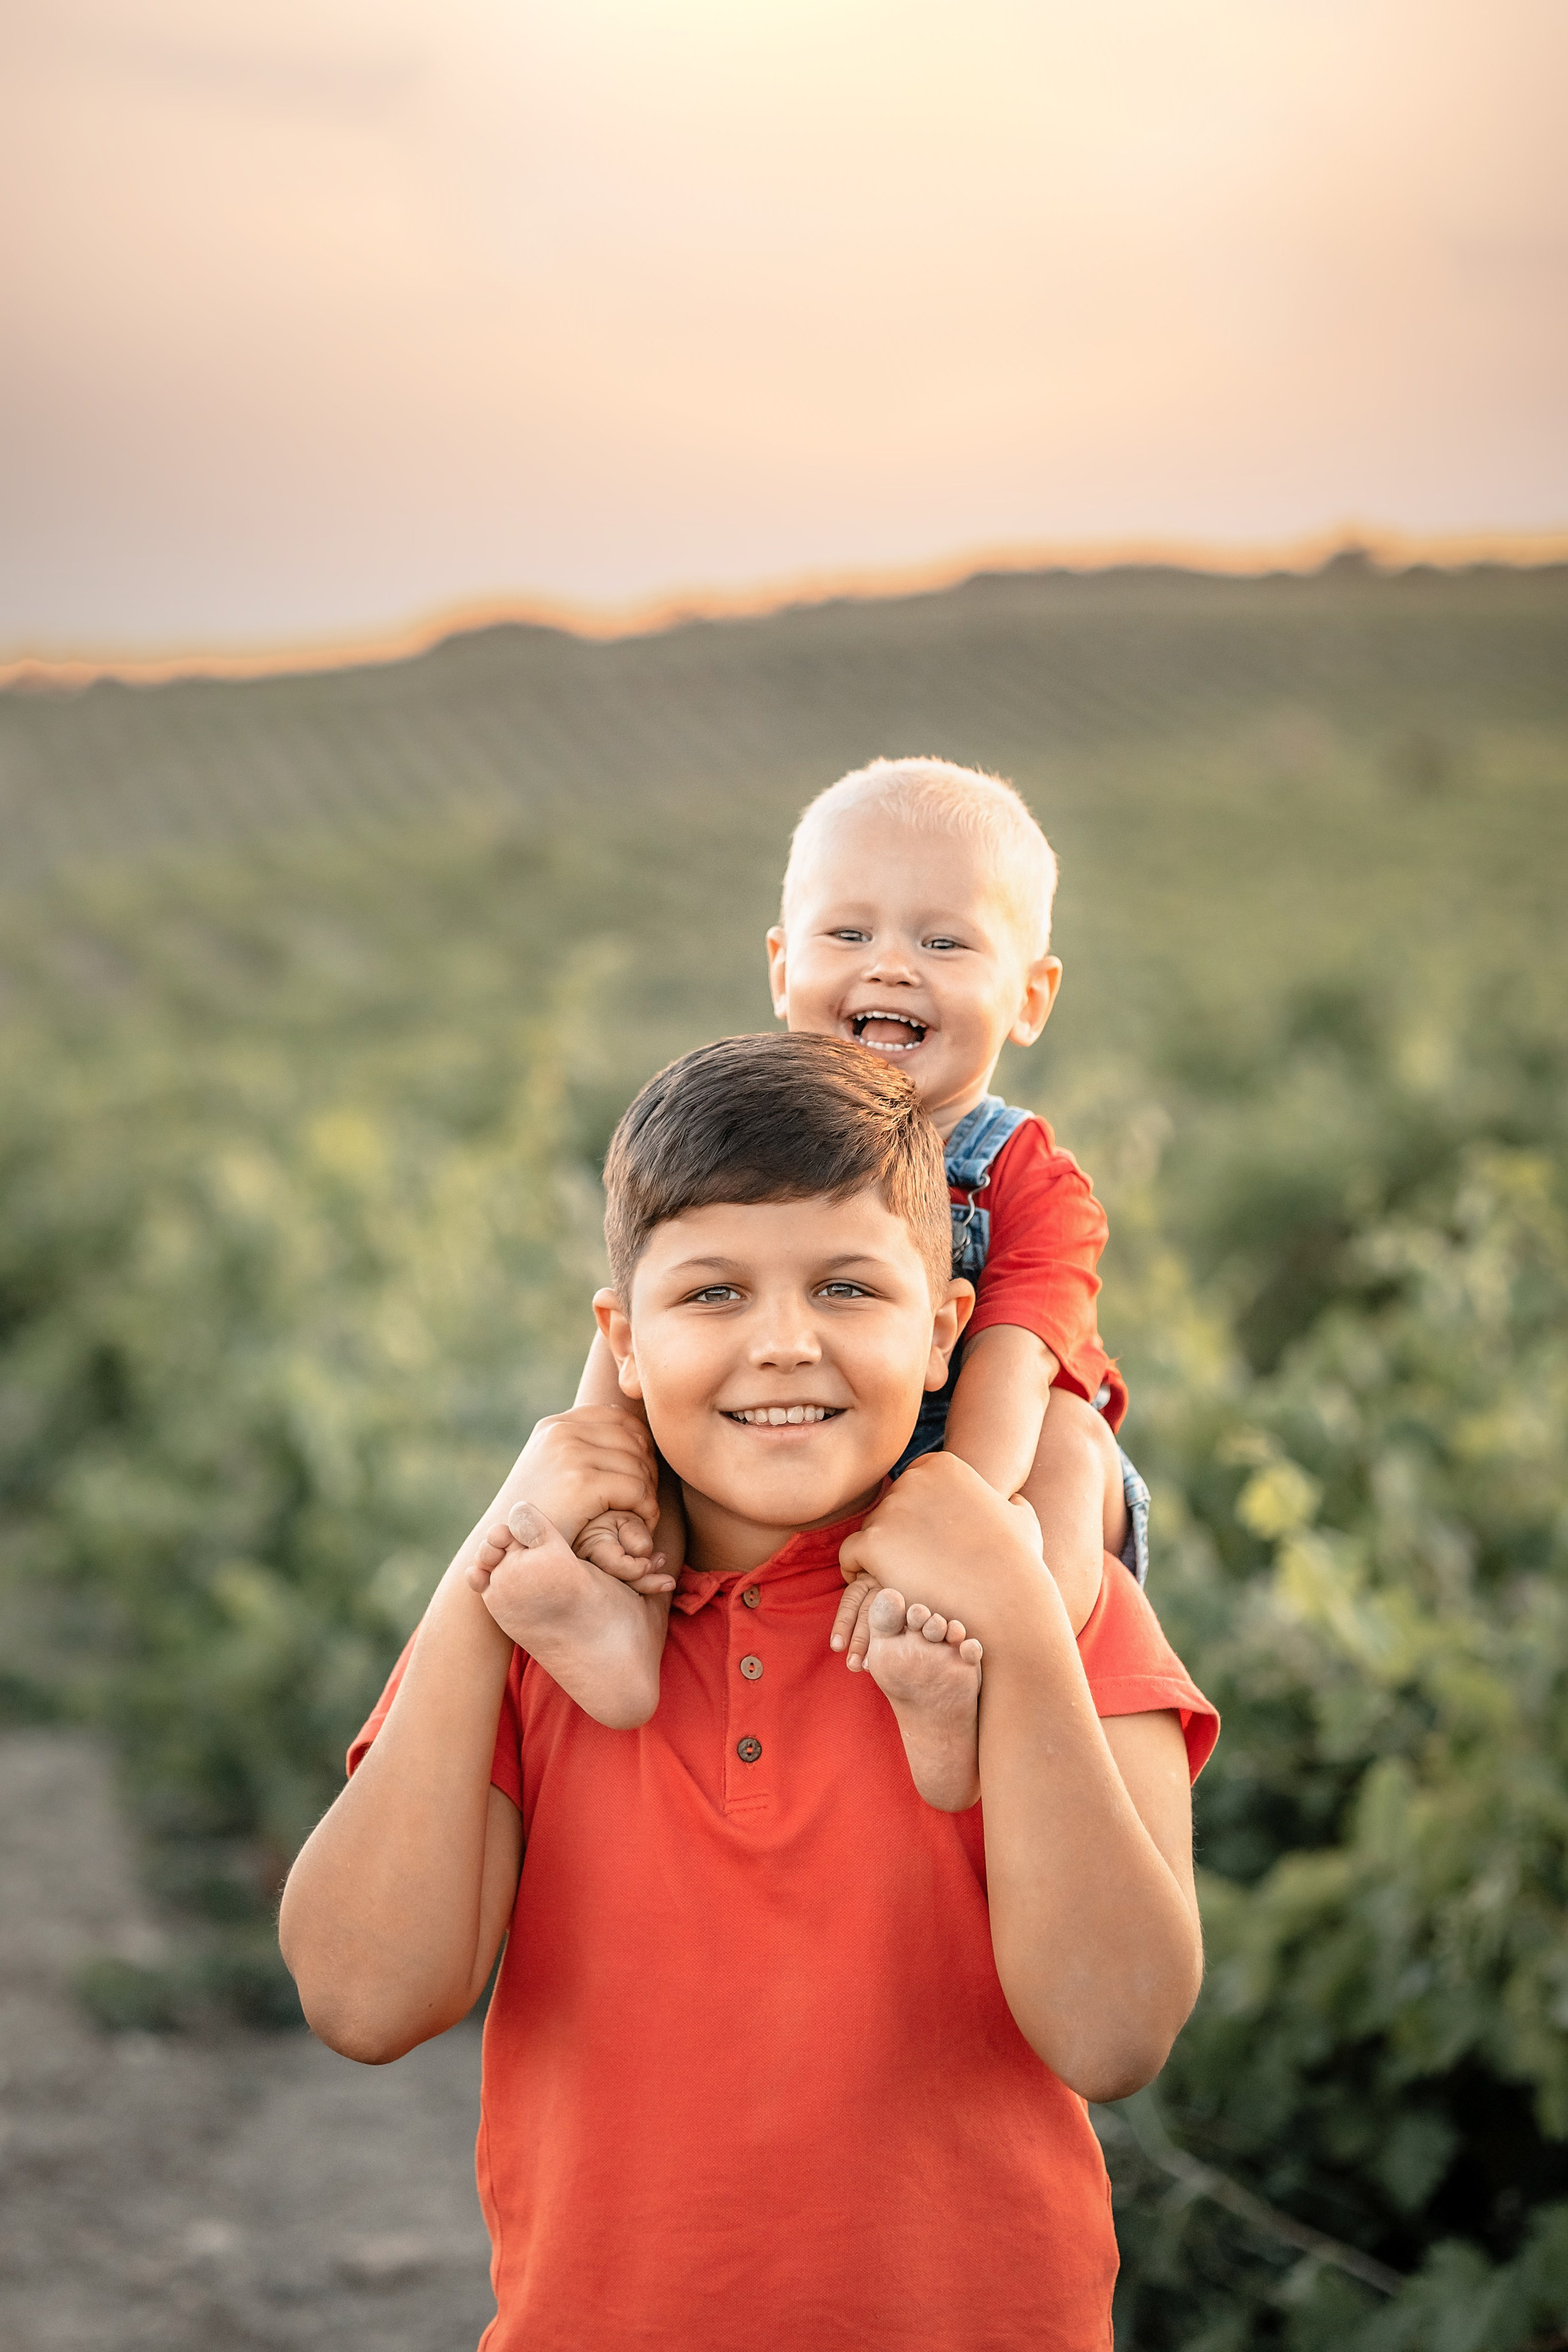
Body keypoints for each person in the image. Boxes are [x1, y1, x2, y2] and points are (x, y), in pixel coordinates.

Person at [279, 1035, 1217, 2352]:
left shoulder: (1061, 1612)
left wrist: (1012, 1609)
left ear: (943, 1330)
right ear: (623, 1342)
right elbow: (363, 2000)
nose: (782, 1345)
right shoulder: (542, 1624)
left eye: (847, 1288)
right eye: (713, 1293)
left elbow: (1115, 2036)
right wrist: (492, 1547)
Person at [557, 756, 1143, 1765]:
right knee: (658, 1353)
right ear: (783, 966)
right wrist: (591, 1465)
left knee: (1072, 1443)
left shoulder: (1024, 1176)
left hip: (979, 1456)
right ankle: (616, 1612)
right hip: (807, 1419)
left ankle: (1006, 1674)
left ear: (1030, 996)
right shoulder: (753, 1131)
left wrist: (953, 1519)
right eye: (849, 934)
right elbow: (651, 1310)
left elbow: (1012, 1361)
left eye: (944, 941)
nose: (892, 967)